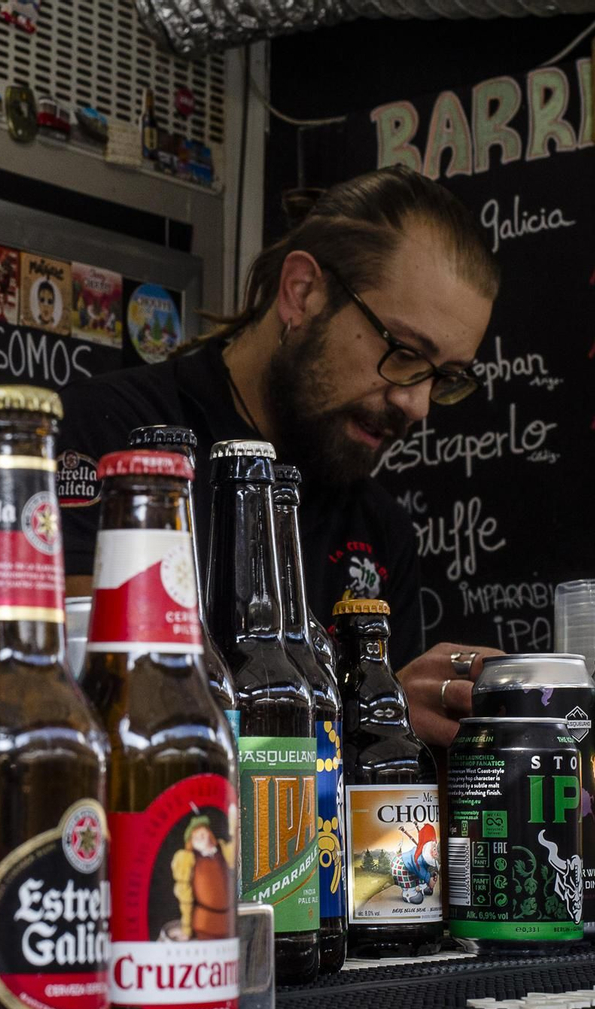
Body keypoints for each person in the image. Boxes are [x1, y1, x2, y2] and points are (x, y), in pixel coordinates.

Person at [57, 166, 503, 746]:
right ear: (302, 292)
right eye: (404, 353)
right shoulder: (109, 435)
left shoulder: (381, 528)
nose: (418, 404)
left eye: (444, 378)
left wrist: (402, 711)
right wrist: (358, 708)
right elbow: (86, 688)